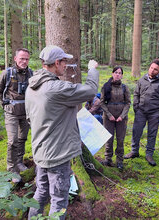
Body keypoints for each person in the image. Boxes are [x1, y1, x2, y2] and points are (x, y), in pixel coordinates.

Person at [25, 45, 99, 219]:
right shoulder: (56, 88)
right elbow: (90, 90)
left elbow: (29, 118)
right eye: (64, 61)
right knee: (59, 200)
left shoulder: (31, 87)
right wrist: (92, 70)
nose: (66, 65)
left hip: (40, 152)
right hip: (57, 155)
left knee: (41, 193)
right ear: (56, 63)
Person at [124, 59, 159, 166]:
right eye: (151, 68)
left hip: (155, 113)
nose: (152, 70)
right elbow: (136, 93)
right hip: (141, 111)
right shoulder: (142, 80)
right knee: (136, 131)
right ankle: (134, 151)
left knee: (152, 133)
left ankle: (149, 154)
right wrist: (136, 107)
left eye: (155, 69)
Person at [0, 48, 32, 182]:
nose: (24, 61)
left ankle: (19, 162)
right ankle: (11, 169)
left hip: (25, 112)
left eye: (26, 59)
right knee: (12, 140)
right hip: (11, 112)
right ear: (15, 58)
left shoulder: (30, 73)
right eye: (22, 58)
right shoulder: (7, 73)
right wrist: (4, 105)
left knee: (22, 138)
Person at [100, 66, 131, 170]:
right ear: (112, 73)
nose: (118, 74)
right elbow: (102, 102)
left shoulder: (124, 88)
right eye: (116, 72)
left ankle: (119, 161)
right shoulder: (106, 86)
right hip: (108, 117)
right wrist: (109, 115)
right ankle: (108, 159)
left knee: (120, 139)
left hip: (121, 118)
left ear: (122, 75)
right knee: (109, 138)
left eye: (120, 73)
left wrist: (122, 116)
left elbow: (128, 103)